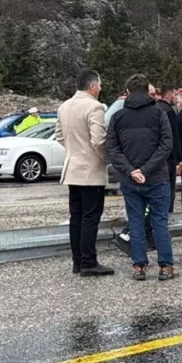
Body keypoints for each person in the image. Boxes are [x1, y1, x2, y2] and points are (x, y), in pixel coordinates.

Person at [107, 74, 176, 281]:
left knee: (135, 222)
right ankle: (165, 266)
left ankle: (139, 266)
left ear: (127, 92)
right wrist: (146, 170)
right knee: (159, 222)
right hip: (157, 177)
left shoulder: (118, 117)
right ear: (148, 91)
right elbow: (166, 145)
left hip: (130, 180)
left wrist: (131, 170)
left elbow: (112, 148)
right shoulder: (159, 113)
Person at [56, 70, 113, 276]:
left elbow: (59, 136)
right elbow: (98, 140)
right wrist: (106, 158)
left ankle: (78, 261)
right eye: (99, 85)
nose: (101, 88)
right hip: (90, 170)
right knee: (91, 217)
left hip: (72, 168)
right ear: (92, 86)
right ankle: (89, 261)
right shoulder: (95, 107)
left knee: (77, 217)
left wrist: (73, 152)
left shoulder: (64, 106)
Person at [156, 85, 182, 212]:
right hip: (168, 158)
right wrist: (180, 159)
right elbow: (174, 136)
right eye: (175, 95)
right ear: (168, 95)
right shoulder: (169, 111)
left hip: (156, 156)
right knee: (169, 191)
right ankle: (168, 214)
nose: (176, 98)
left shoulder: (155, 108)